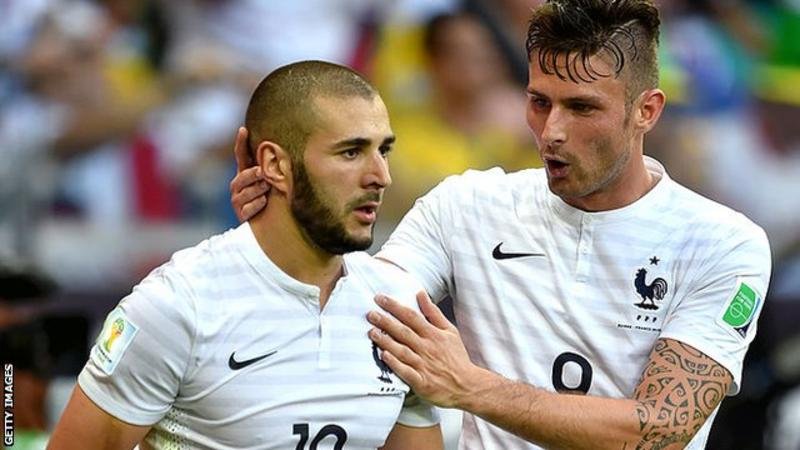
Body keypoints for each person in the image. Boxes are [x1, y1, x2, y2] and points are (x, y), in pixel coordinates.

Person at [230, 1, 772, 449]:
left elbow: (659, 429)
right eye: (539, 102)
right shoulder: (466, 204)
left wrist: (472, 388)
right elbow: (357, 316)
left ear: (646, 111)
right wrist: (284, 231)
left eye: (581, 108)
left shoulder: (724, 242)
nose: (552, 131)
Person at [48, 60, 443, 450]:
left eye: (383, 151)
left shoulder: (399, 308)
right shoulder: (178, 305)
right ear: (275, 164)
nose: (380, 176)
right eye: (351, 152)